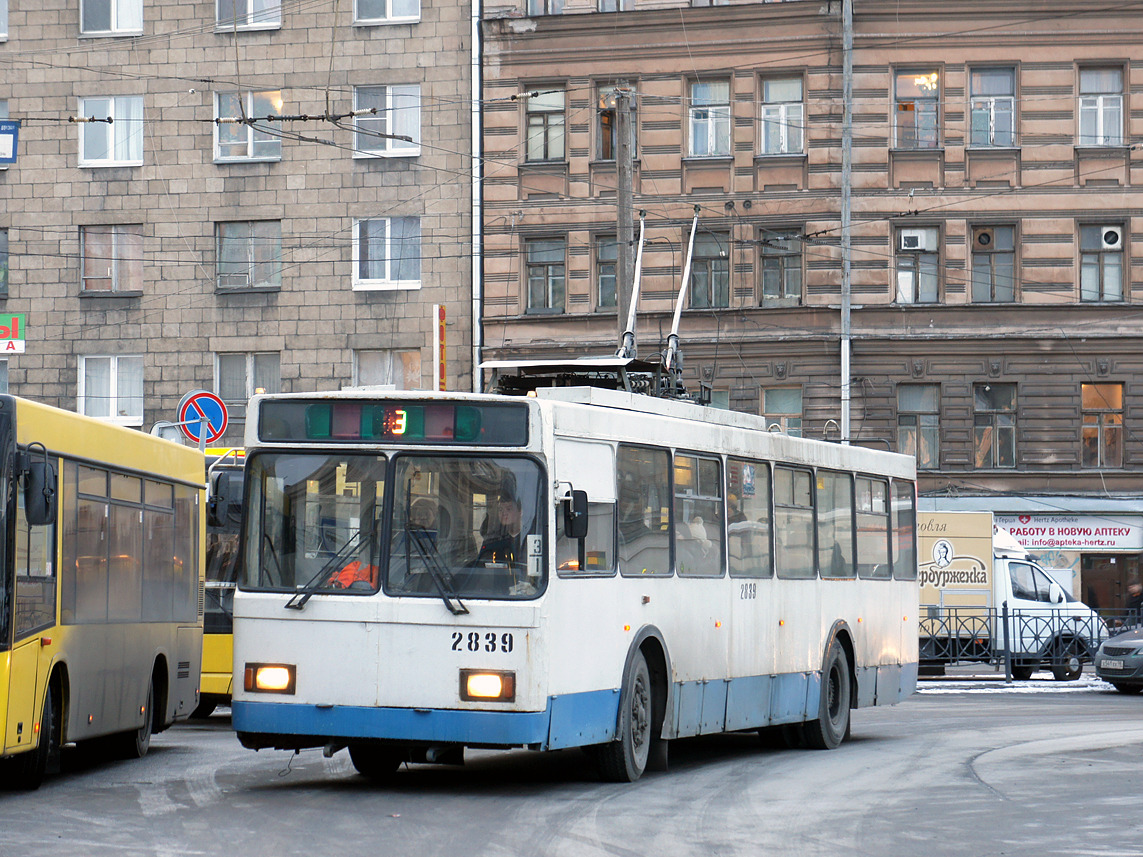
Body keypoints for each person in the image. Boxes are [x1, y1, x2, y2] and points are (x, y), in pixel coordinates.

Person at [477, 492, 524, 565]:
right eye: (500, 509)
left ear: (520, 511)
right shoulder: (496, 541)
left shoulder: (528, 538)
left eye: (508, 509)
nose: (504, 513)